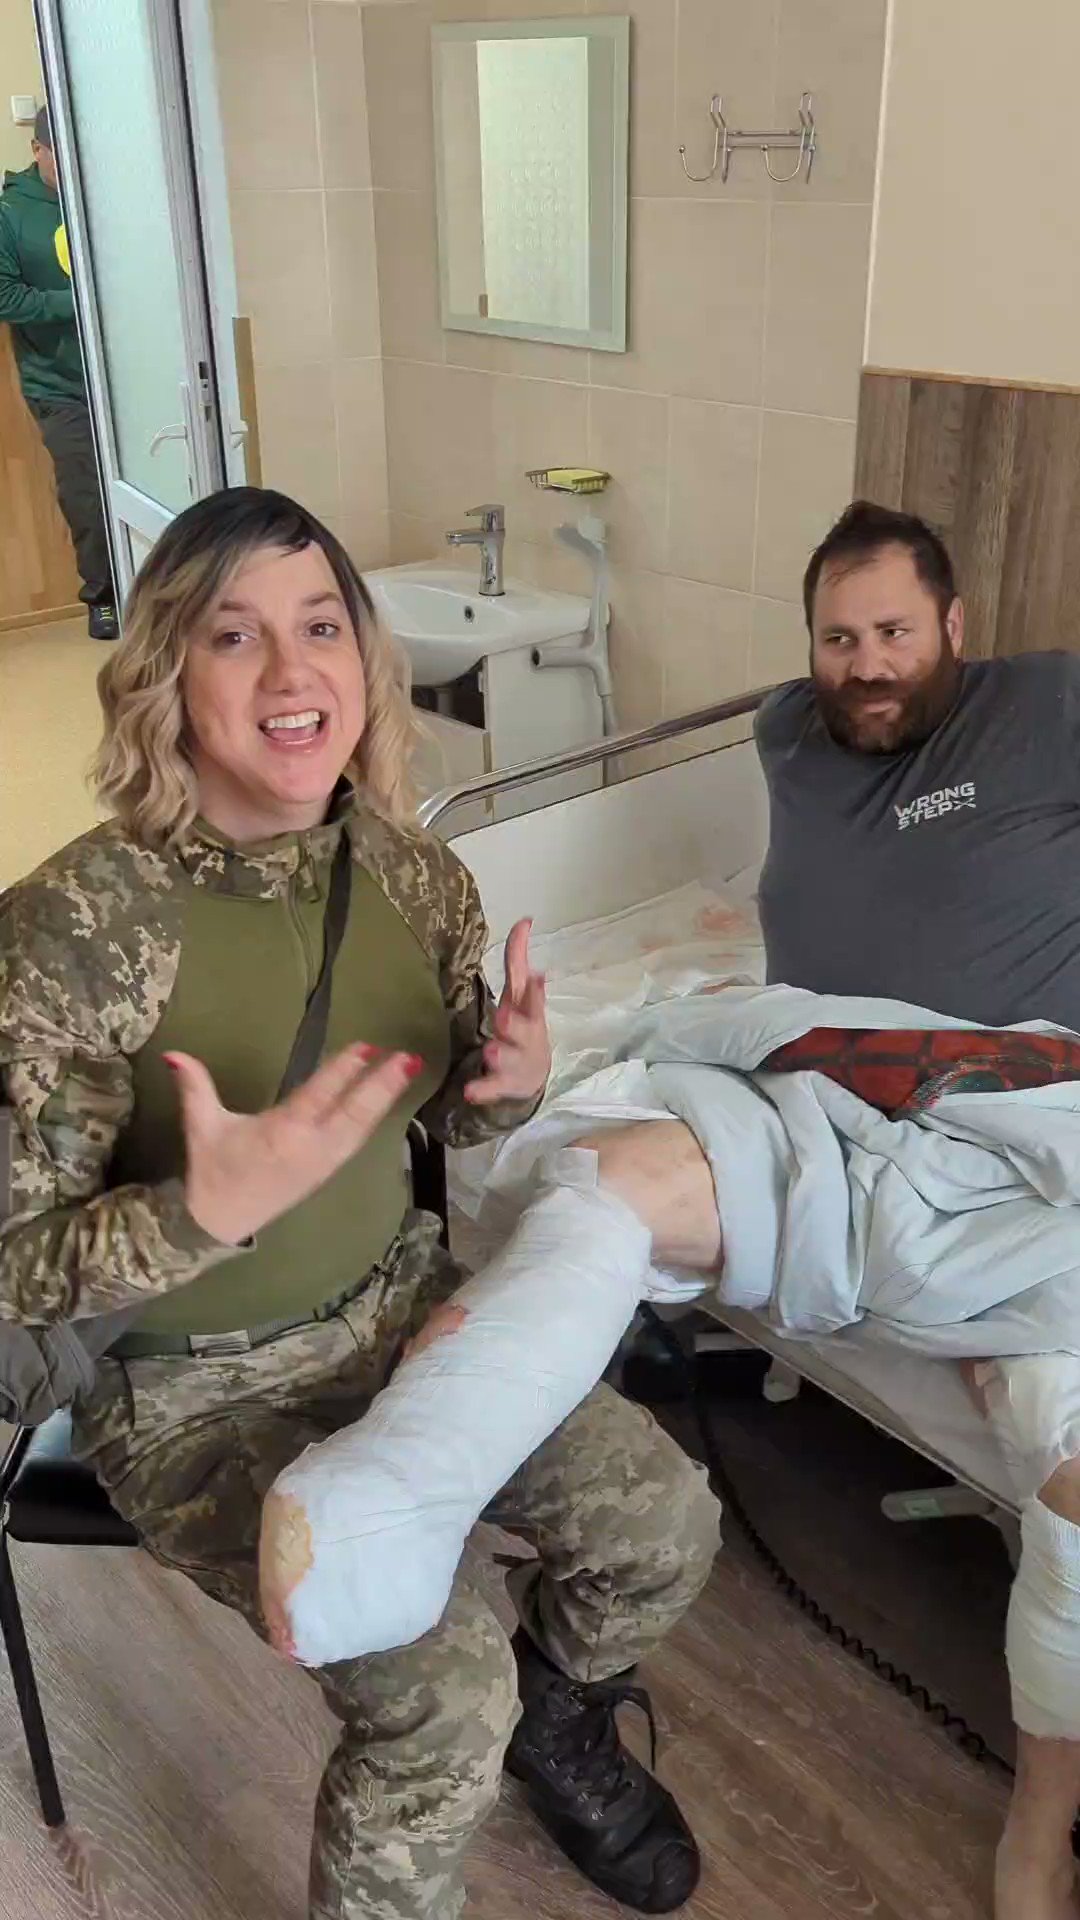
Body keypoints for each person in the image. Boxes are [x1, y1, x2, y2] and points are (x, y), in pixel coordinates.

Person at [0, 486, 718, 1920]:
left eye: (320, 626)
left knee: (664, 1527)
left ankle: (561, 1727)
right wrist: (197, 1213)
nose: (291, 672)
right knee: (444, 1694)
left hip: (405, 1315)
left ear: (364, 656)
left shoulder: (412, 875)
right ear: (166, 674)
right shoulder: (75, 930)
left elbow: (446, 1114)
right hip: (194, 1395)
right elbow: (15, 1267)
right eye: (235, 635)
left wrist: (504, 1084)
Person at [473, 501, 1080, 1920]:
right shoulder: (785, 733)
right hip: (823, 1077)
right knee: (590, 1173)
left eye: (896, 633)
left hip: (1022, 1102)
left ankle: (1039, 1831)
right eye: (837, 637)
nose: (867, 665)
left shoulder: (1048, 710)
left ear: (957, 626)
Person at [0, 105, 118, 640]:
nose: (72, 166)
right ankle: (103, 596)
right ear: (37, 149)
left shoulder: (106, 195)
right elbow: (6, 297)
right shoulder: (10, 212)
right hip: (59, 384)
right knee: (85, 494)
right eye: (60, 154)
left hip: (126, 377)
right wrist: (82, 302)